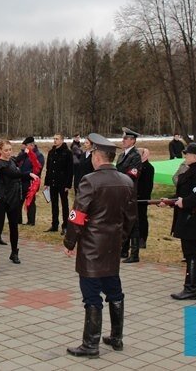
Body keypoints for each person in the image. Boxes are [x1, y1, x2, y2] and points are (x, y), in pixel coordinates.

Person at [63, 133, 137, 357]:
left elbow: (77, 216)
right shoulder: (126, 181)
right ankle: (116, 337)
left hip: (91, 247)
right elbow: (131, 218)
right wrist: (120, 238)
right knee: (114, 290)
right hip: (112, 246)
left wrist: (70, 241)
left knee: (91, 294)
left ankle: (90, 344)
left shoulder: (90, 181)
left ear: (97, 156)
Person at [166, 142, 196, 300]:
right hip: (191, 218)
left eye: (187, 154)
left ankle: (190, 288)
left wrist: (183, 203)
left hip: (193, 219)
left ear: (195, 156)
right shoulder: (194, 170)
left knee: (191, 253)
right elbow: (185, 192)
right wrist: (170, 201)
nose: (184, 156)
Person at [0, 140, 39, 273]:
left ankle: (14, 252)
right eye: (6, 150)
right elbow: (13, 174)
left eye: (10, 149)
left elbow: (19, 158)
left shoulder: (12, 161)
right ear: (0, 151)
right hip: (1, 199)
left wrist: (27, 151)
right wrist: (28, 174)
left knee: (14, 227)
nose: (9, 152)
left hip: (14, 198)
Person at [116, 128, 141, 263]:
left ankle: (135, 253)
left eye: (125, 138)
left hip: (130, 192)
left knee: (133, 222)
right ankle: (123, 250)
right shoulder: (122, 155)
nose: (123, 140)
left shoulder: (135, 155)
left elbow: (133, 174)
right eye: (123, 138)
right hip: (121, 192)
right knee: (123, 221)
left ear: (132, 141)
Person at [44, 133, 74, 234]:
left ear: (62, 140)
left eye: (57, 139)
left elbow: (70, 170)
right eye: (54, 139)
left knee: (64, 205)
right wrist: (46, 182)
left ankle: (65, 226)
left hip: (63, 183)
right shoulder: (51, 152)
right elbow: (48, 168)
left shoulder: (68, 153)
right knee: (54, 204)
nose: (55, 140)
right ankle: (54, 225)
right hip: (52, 182)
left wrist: (68, 185)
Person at [15, 136, 43, 226]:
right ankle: (18, 220)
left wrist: (27, 174)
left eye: (26, 145)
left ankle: (31, 221)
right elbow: (17, 163)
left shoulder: (38, 155)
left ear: (32, 145)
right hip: (21, 180)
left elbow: (37, 169)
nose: (24, 147)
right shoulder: (23, 154)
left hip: (31, 182)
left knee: (30, 201)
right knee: (19, 200)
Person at [136, 147, 155, 249]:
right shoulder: (136, 166)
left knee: (142, 218)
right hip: (134, 196)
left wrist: (144, 197)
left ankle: (142, 239)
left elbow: (148, 185)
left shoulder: (148, 167)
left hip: (142, 198)